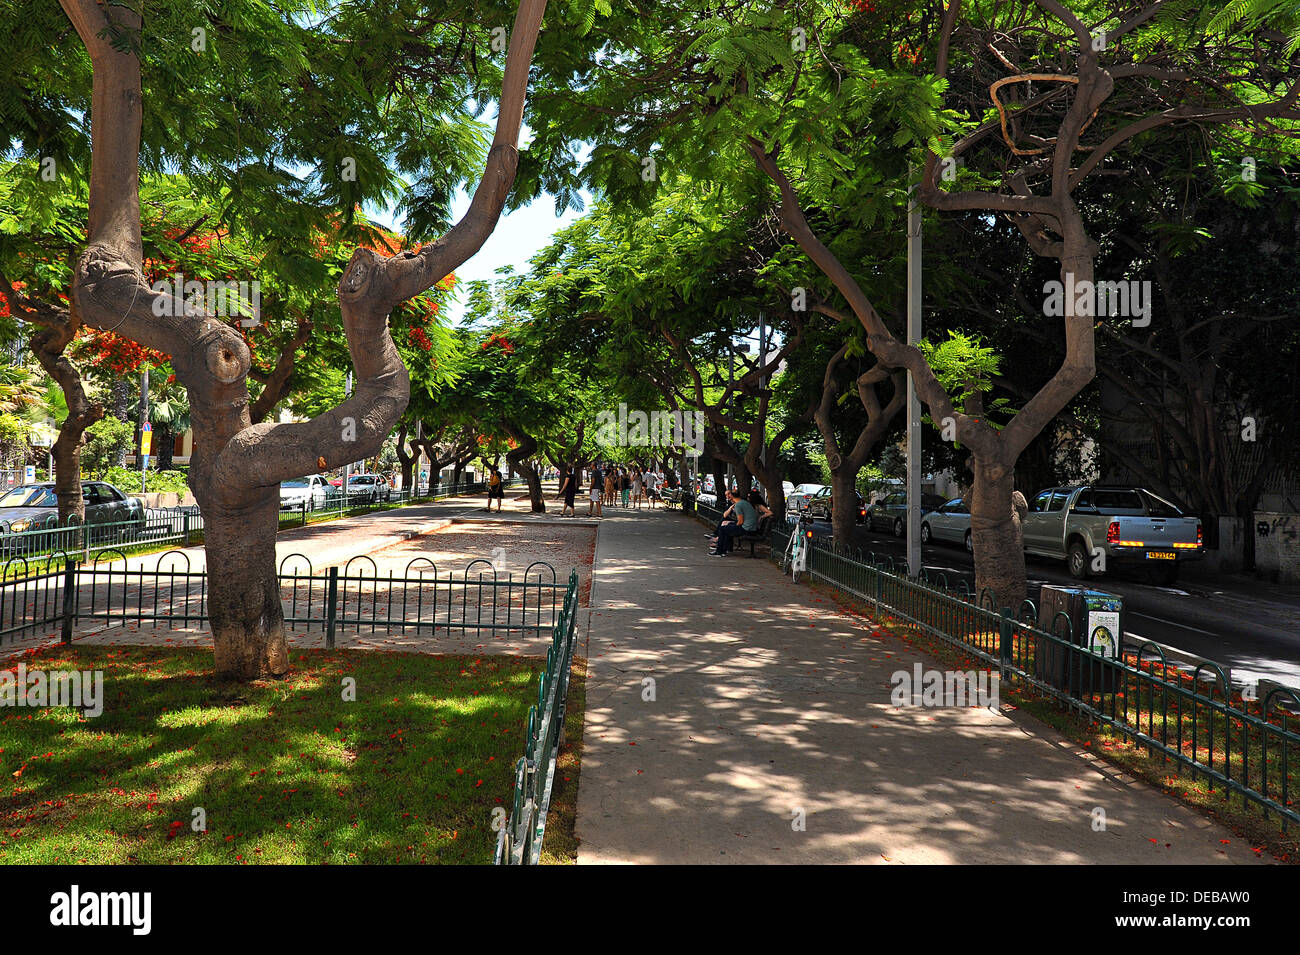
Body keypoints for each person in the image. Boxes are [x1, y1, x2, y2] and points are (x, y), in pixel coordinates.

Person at [710, 488, 770, 557]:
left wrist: (733, 526)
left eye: (729, 495)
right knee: (727, 527)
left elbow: (740, 521)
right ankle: (725, 549)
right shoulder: (744, 502)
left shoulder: (738, 505)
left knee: (723, 529)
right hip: (751, 527)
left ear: (732, 496)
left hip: (747, 529)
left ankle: (719, 551)